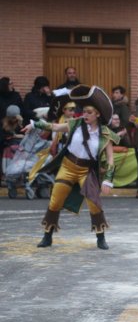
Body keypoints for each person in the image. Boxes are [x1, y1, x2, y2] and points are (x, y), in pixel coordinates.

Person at [22, 85, 119, 250]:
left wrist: (108, 179)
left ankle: (100, 238)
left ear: (97, 115)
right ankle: (47, 236)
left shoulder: (105, 134)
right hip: (68, 167)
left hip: (87, 171)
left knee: (95, 203)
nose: (84, 114)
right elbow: (54, 127)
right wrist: (34, 124)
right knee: (55, 201)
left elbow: (110, 158)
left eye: (89, 112)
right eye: (84, 112)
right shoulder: (75, 123)